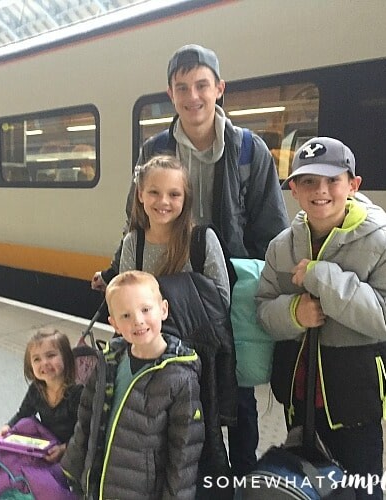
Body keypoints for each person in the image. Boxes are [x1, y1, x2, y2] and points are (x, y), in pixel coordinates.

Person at [92, 44, 290, 477]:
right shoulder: (155, 147)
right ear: (171, 92)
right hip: (161, 301)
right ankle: (191, 476)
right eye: (182, 87)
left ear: (219, 89)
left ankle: (239, 476)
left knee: (233, 395)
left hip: (226, 292)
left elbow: (270, 228)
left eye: (202, 84)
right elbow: (135, 219)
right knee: (177, 393)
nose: (193, 96)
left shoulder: (247, 151)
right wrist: (114, 273)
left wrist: (265, 287)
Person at [256, 137, 386, 499]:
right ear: (294, 189)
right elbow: (264, 309)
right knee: (310, 483)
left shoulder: (380, 242)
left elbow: (383, 317)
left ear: (354, 185)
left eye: (333, 180)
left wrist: (320, 276)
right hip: (299, 397)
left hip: (354, 402)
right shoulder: (282, 246)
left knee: (361, 489)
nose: (321, 190)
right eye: (309, 181)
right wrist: (294, 313)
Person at [61, 270, 204, 499]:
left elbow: (184, 453)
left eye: (145, 310)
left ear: (164, 310)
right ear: (114, 323)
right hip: (99, 485)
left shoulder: (180, 377)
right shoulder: (107, 363)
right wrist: (73, 468)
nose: (137, 320)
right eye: (125, 316)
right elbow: (86, 418)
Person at [120, 154, 230, 305]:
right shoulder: (133, 243)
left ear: (185, 198)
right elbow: (125, 299)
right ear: (140, 195)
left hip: (194, 329)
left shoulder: (202, 240)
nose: (164, 201)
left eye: (174, 194)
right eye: (154, 192)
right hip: (147, 329)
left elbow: (222, 300)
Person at [0, 328, 83, 463]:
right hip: (48, 447)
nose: (44, 363)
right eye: (37, 359)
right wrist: (8, 427)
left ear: (66, 357)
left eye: (51, 355)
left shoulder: (77, 393)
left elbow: (85, 431)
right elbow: (23, 414)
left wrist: (63, 449)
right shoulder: (36, 390)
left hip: (75, 452)